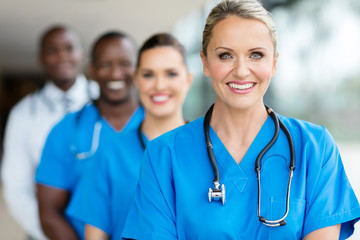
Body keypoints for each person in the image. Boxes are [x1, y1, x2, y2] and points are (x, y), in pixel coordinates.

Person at [121, 0, 360, 239]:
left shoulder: (314, 148)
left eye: (256, 55)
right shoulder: (163, 155)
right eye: (225, 56)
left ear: (274, 63)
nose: (241, 70)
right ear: (205, 62)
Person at [65, 33, 193, 240]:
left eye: (171, 74)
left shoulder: (210, 150)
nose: (159, 85)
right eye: (148, 75)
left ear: (188, 80)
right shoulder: (110, 152)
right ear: (136, 80)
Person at [35, 31, 143, 240]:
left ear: (138, 68)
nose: (115, 73)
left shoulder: (158, 127)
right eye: (105, 64)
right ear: (91, 70)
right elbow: (49, 213)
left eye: (124, 63)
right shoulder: (66, 130)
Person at [1, 25, 98, 240]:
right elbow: (16, 188)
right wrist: (51, 232)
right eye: (52, 50)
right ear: (40, 58)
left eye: (69, 48)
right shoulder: (24, 113)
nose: (62, 55)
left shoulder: (104, 101)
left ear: (81, 55)